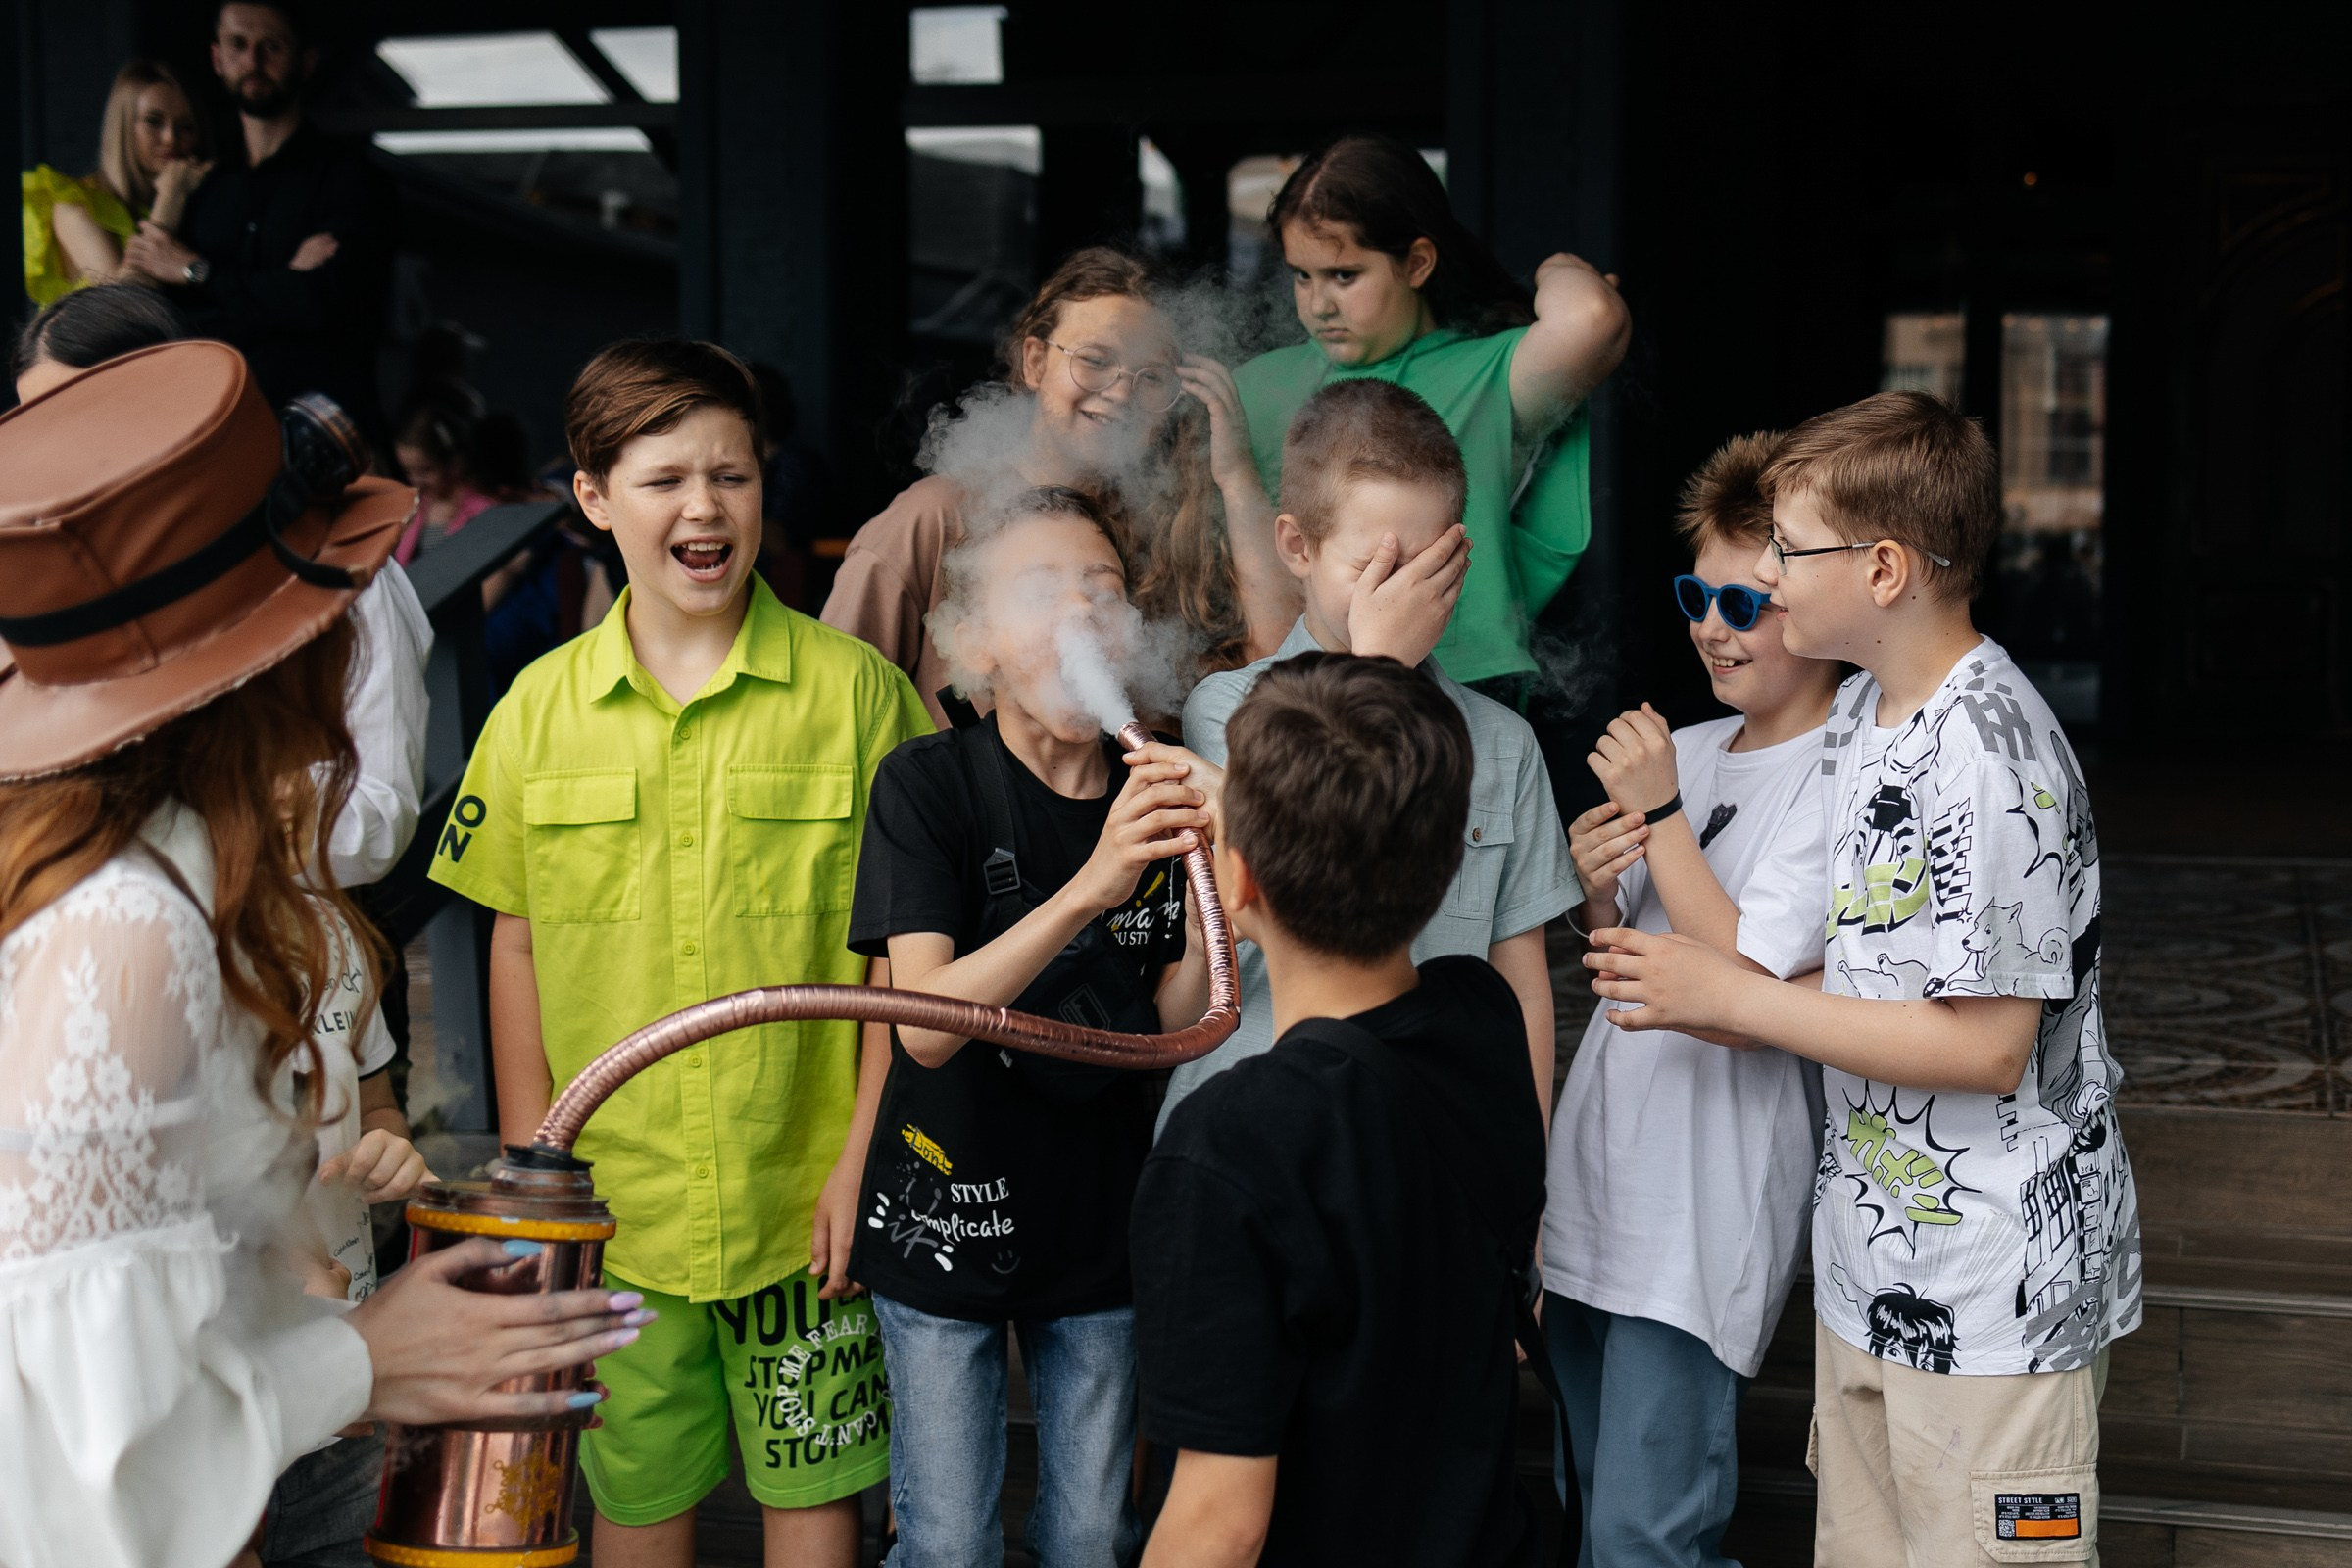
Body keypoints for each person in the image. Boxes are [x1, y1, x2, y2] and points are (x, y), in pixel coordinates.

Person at [0, 338, 644, 1568]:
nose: (372, 625)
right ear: (278, 650)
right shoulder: (133, 923)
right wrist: (366, 1356)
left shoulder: (174, 869)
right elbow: (96, 1468)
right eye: (344, 590)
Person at [1584, 391, 2139, 1568]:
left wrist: (1737, 1001)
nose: (1768, 577)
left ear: (1884, 569)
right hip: (1874, 1273)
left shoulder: (1991, 750)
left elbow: (1989, 1046)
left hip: (1997, 1292)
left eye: (1790, 551)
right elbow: (1775, 950)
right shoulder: (1857, 717)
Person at [428, 338, 932, 1568]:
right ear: (593, 497)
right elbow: (515, 943)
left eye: (731, 475)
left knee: (817, 1498)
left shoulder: (859, 694)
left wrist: (861, 1160)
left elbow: (900, 966)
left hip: (802, 1208)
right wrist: (536, 1175)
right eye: (663, 480)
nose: (703, 507)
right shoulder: (535, 710)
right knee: (635, 1498)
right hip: (621, 1213)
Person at [843, 485, 1210, 1565]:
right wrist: (1095, 885)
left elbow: (1162, 1027)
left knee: (1091, 1537)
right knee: (950, 1543)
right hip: (946, 1212)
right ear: (975, 643)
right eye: (1043, 591)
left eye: (1104, 590)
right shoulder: (928, 784)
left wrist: (1210, 909)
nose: (1082, 614)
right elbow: (924, 1027)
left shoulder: (1156, 783)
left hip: (1100, 1223)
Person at [1132, 653, 1547, 1567]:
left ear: (1237, 882)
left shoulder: (1228, 1144)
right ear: (1447, 865)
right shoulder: (1481, 1019)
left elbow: (1218, 1526)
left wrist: (1251, 833)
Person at [1543, 432, 1841, 1568]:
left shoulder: (1846, 768)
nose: (1712, 625)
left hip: (1702, 1206)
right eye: (1695, 596)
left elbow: (1744, 981)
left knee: (1644, 1536)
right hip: (1601, 1176)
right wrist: (1592, 890)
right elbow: (1623, 949)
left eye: (1742, 603)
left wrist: (1661, 814)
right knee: (1586, 1509)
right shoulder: (1697, 747)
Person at [10, 273, 437, 1053]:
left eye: (80, 417)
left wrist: (201, 805)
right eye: (36, 426)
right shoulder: (46, 587)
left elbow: (378, 820)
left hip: (307, 988)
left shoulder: (328, 564)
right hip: (85, 984)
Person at [1160, 379, 1575, 1131]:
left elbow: (1520, 986)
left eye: (1427, 568)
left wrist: (1528, 1154)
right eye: (1374, 570)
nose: (1400, 595)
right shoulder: (1228, 711)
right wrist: (1380, 668)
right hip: (1256, 1121)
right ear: (1298, 547)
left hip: (1425, 1134)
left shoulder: (1503, 743)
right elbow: (1314, 855)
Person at [823, 245, 1293, 728]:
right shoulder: (935, 516)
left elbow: (1281, 672)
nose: (1121, 391)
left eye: (1151, 376)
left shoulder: (1171, 533)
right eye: (1095, 359)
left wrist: (1236, 477)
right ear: (1034, 362)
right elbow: (833, 694)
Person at [1237, 133, 1632, 697]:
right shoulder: (1258, 385)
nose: (1319, 304)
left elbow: (1591, 317)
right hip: (1298, 689)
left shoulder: (1490, 372)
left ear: (1418, 263)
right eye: (1303, 275)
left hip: (1461, 691)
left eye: (1344, 275)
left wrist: (1560, 264)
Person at [126, 1, 398, 439]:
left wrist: (198, 271)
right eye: (238, 45)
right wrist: (282, 285)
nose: (252, 61)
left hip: (323, 441)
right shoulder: (206, 187)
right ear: (218, 59)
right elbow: (174, 327)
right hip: (217, 435)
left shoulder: (351, 180)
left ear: (305, 61)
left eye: (271, 46)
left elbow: (324, 305)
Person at [21, 59, 211, 305]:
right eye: (154, 122)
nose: (170, 139)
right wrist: (171, 196)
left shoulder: (199, 203)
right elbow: (123, 308)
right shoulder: (74, 208)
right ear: (124, 126)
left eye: (186, 127)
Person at [391, 399, 496, 564]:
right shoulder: (413, 510)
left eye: (425, 471)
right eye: (409, 472)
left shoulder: (481, 509)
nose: (416, 481)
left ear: (453, 463)